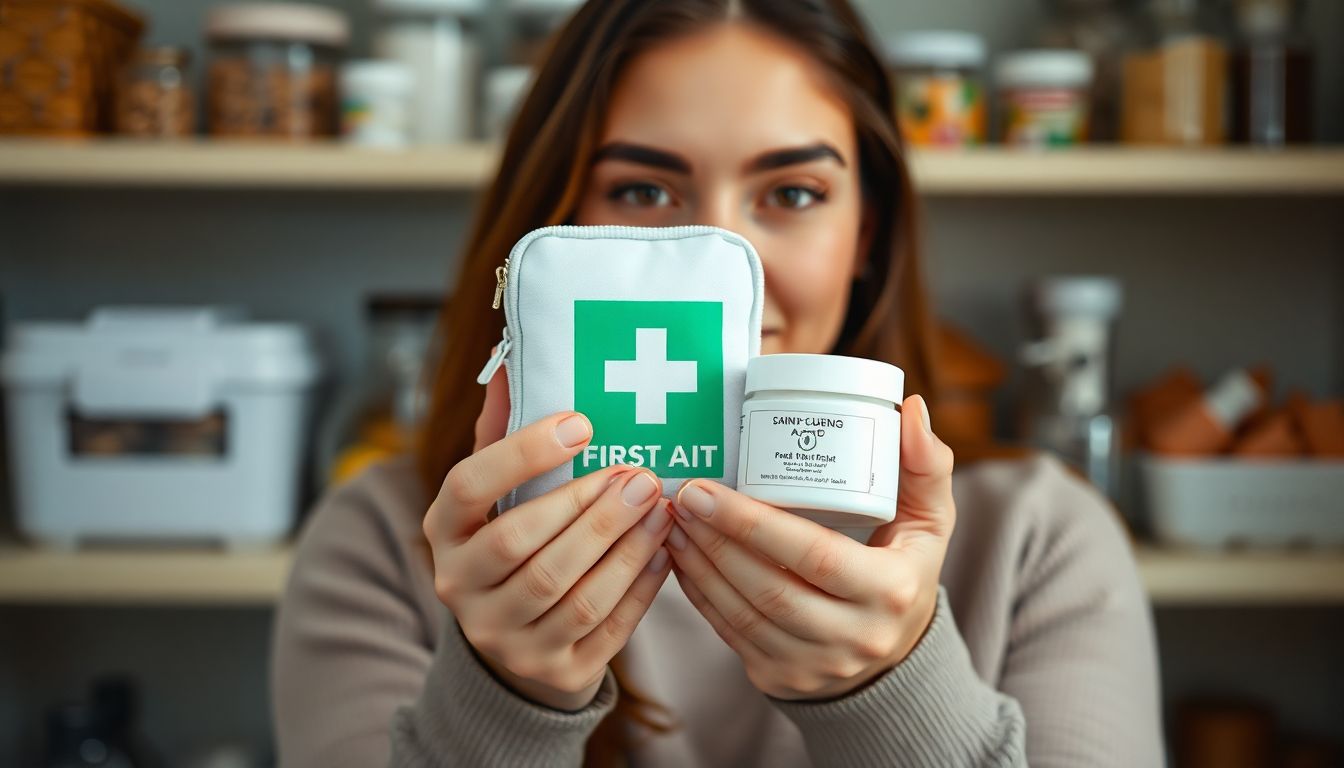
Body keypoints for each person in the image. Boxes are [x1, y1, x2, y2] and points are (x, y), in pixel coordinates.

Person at [271, 1, 1164, 766]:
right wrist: (503, 701)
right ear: (552, 231)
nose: (721, 270)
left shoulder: (1039, 543)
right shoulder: (382, 541)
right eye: (643, 193)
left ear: (868, 236)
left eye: (794, 193)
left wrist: (892, 692)